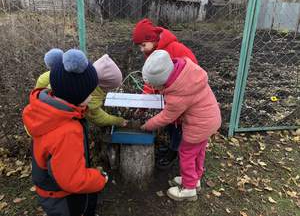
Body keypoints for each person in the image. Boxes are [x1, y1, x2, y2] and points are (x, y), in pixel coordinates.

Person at [23, 49, 108, 215]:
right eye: (88, 93)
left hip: (52, 189)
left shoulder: (48, 111)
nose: (91, 98)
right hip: (64, 198)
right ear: (74, 95)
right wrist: (99, 178)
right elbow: (73, 180)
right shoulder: (67, 131)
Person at [140, 50, 221, 201]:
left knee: (187, 153)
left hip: (199, 125)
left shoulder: (178, 95)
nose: (157, 89)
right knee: (198, 151)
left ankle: (189, 189)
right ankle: (194, 179)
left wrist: (147, 125)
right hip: (210, 119)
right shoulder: (186, 74)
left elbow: (165, 117)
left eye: (157, 86)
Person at [132, 18, 199, 169]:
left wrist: (180, 93)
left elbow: (193, 69)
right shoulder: (152, 51)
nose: (141, 49)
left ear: (152, 39)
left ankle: (175, 151)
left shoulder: (175, 49)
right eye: (139, 47)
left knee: (176, 124)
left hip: (182, 96)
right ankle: (173, 147)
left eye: (143, 45)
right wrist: (143, 105)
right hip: (169, 95)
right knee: (170, 123)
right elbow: (151, 80)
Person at [36, 49, 127, 127]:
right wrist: (117, 121)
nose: (90, 97)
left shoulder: (62, 73)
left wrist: (39, 96)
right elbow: (98, 117)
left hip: (40, 114)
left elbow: (42, 79)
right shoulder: (86, 91)